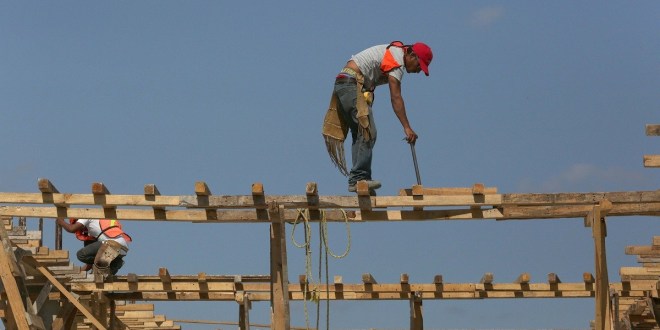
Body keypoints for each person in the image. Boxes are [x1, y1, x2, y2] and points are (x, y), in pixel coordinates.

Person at [322, 41, 433, 194]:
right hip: (350, 84)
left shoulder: (395, 54)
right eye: (419, 65)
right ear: (411, 55)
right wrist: (407, 127)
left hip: (345, 83)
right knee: (368, 131)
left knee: (361, 132)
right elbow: (396, 97)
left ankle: (360, 181)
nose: (419, 70)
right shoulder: (397, 60)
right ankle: (359, 179)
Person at [56, 218, 131, 275]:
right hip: (122, 248)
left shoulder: (85, 216)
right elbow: (89, 264)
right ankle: (115, 264)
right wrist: (78, 273)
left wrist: (60, 221)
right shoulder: (97, 225)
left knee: (81, 254)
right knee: (99, 271)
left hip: (112, 243)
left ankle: (110, 266)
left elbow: (71, 229)